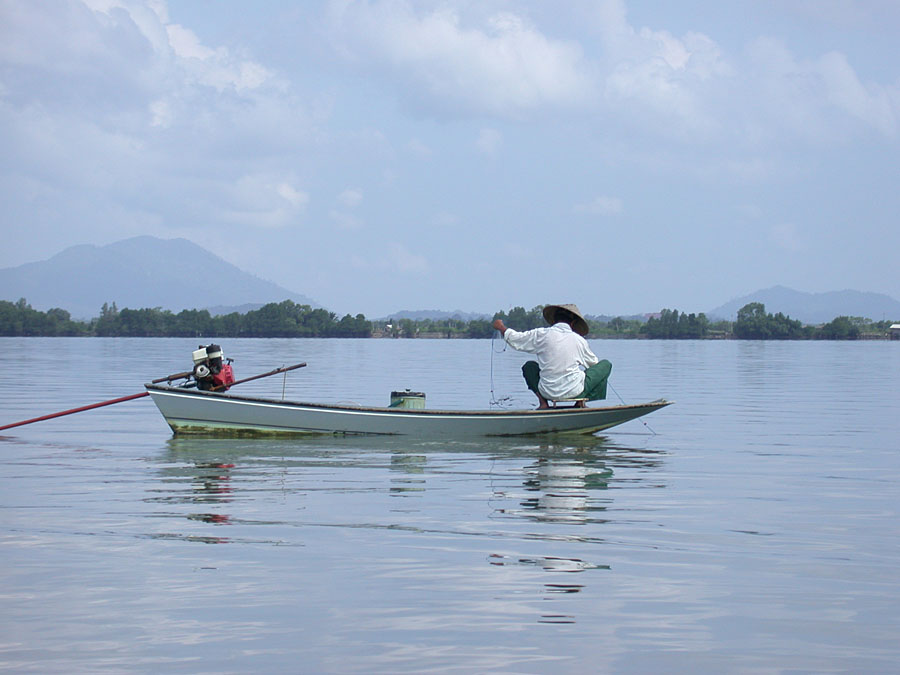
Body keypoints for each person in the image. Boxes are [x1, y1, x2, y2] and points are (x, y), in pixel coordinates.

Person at [492, 304, 611, 409]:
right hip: (575, 391)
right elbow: (594, 364)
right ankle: (580, 403)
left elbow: (516, 338)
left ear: (554, 320)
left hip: (547, 391)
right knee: (606, 365)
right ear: (573, 322)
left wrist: (501, 327)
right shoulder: (579, 340)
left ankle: (543, 403)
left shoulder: (541, 334)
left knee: (529, 366)